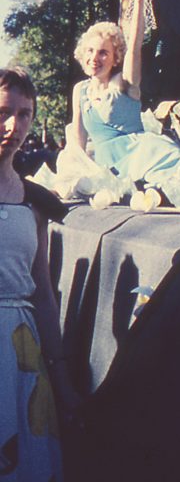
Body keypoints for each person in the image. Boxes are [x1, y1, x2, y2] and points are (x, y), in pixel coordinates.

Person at [66, 0, 180, 211]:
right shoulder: (80, 90)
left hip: (143, 154)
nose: (95, 58)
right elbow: (78, 139)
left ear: (114, 58)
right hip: (105, 164)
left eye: (103, 53)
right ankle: (144, 193)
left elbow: (134, 48)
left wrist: (140, 1)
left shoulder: (124, 82)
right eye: (90, 51)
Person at [0, 66, 77, 482]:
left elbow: (43, 294)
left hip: (21, 357)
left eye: (25, 114)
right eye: (4, 112)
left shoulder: (35, 202)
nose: (14, 126)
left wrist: (62, 382)